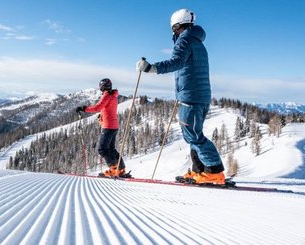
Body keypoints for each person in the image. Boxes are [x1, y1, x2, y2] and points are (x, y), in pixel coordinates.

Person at [136, 8, 225, 185]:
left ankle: (214, 171)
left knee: (193, 136)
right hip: (200, 95)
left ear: (177, 25)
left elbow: (176, 62)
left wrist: (150, 68)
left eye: (173, 28)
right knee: (193, 134)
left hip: (191, 96)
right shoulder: (197, 41)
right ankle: (199, 170)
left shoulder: (185, 40)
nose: (173, 32)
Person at [75, 78, 130, 178]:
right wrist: (102, 118)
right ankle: (121, 169)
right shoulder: (113, 96)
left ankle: (113, 169)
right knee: (111, 149)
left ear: (102, 87)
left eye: (100, 86)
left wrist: (84, 108)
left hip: (108, 127)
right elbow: (108, 109)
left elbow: (97, 107)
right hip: (113, 126)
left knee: (102, 149)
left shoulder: (106, 96)